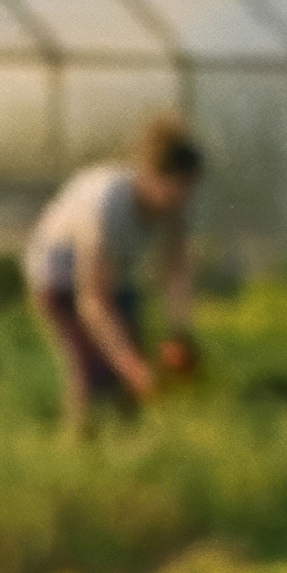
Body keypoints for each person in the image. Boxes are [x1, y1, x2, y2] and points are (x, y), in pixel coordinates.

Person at [23, 116, 200, 435]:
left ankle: (125, 448)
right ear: (152, 178)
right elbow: (92, 301)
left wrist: (178, 333)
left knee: (131, 377)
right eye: (176, 192)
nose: (180, 202)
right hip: (59, 280)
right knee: (95, 373)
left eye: (187, 192)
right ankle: (79, 451)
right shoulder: (105, 203)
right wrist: (131, 366)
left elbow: (175, 268)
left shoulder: (174, 204)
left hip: (115, 276)